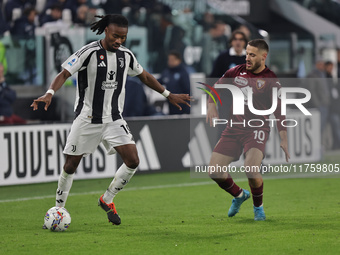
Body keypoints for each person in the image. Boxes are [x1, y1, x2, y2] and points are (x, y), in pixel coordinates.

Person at [31, 14, 191, 226]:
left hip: (114, 119)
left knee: (133, 160)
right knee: (70, 165)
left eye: (123, 37)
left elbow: (144, 76)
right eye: (116, 36)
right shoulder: (88, 52)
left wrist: (167, 94)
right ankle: (58, 208)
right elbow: (64, 73)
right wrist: (50, 92)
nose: (119, 41)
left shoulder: (126, 55)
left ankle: (107, 199)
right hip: (87, 118)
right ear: (106, 30)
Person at [206, 39, 290, 221]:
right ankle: (239, 195)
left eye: (252, 55)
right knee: (214, 171)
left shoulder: (271, 80)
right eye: (247, 54)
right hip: (233, 128)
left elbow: (279, 111)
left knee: (251, 169)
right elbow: (214, 88)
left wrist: (284, 139)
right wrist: (211, 105)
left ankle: (258, 208)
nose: (248, 58)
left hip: (256, 129)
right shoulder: (236, 71)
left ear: (263, 56)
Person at [209, 30, 247, 140]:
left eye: (241, 39)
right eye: (235, 39)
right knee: (224, 126)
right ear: (231, 42)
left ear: (245, 42)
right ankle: (219, 153)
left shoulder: (250, 58)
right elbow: (213, 79)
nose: (238, 42)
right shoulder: (223, 57)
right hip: (226, 99)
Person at [158, 50, 191, 114]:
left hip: (182, 106)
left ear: (178, 60)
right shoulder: (166, 72)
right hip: (171, 104)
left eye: (172, 60)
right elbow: (158, 82)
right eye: (169, 60)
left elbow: (187, 89)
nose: (170, 62)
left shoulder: (183, 72)